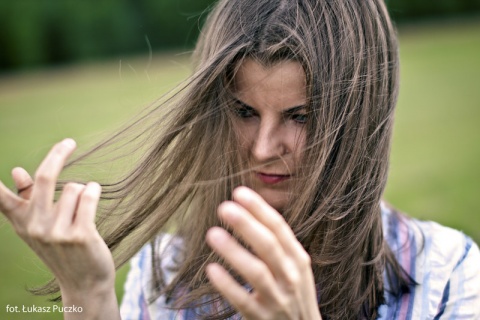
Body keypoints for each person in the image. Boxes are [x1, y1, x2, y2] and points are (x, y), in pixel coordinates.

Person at [0, 0, 479, 319]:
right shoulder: (164, 275)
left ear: (359, 122)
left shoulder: (445, 276)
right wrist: (85, 294)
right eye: (245, 111)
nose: (262, 147)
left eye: (302, 116)